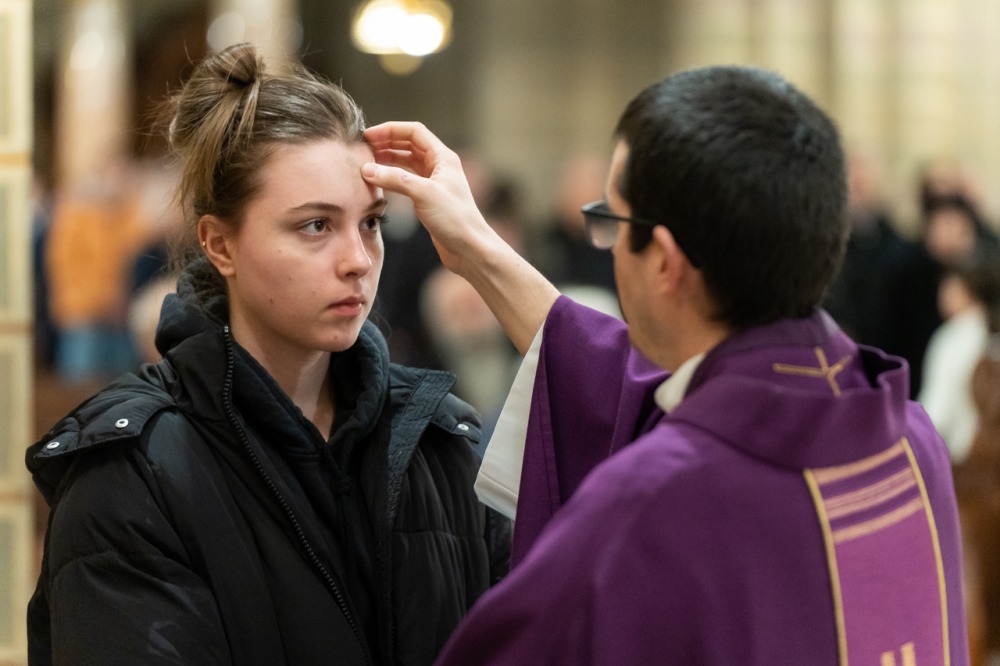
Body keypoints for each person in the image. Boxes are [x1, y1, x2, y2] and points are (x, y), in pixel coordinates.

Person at [360, 65, 969, 664]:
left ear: (665, 261)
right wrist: (476, 248)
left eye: (611, 221)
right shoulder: (910, 440)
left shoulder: (646, 508)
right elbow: (632, 389)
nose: (608, 246)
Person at [26, 43, 509, 666]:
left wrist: (486, 257)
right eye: (315, 226)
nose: (358, 261)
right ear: (219, 245)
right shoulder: (134, 471)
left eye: (371, 223)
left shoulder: (438, 441)